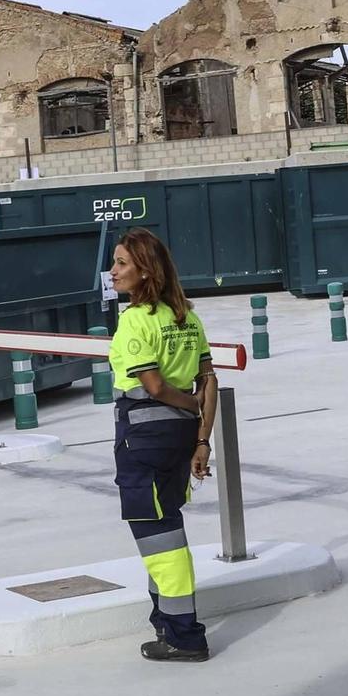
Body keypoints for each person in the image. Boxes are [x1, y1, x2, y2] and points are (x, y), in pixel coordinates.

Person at [107, 227, 217, 663]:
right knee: (164, 528)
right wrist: (202, 439)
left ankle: (186, 635)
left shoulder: (135, 320)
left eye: (121, 264)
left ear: (145, 271)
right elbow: (209, 379)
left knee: (160, 537)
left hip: (143, 439)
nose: (112, 271)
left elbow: (152, 385)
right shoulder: (188, 318)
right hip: (180, 438)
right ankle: (165, 624)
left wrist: (187, 404)